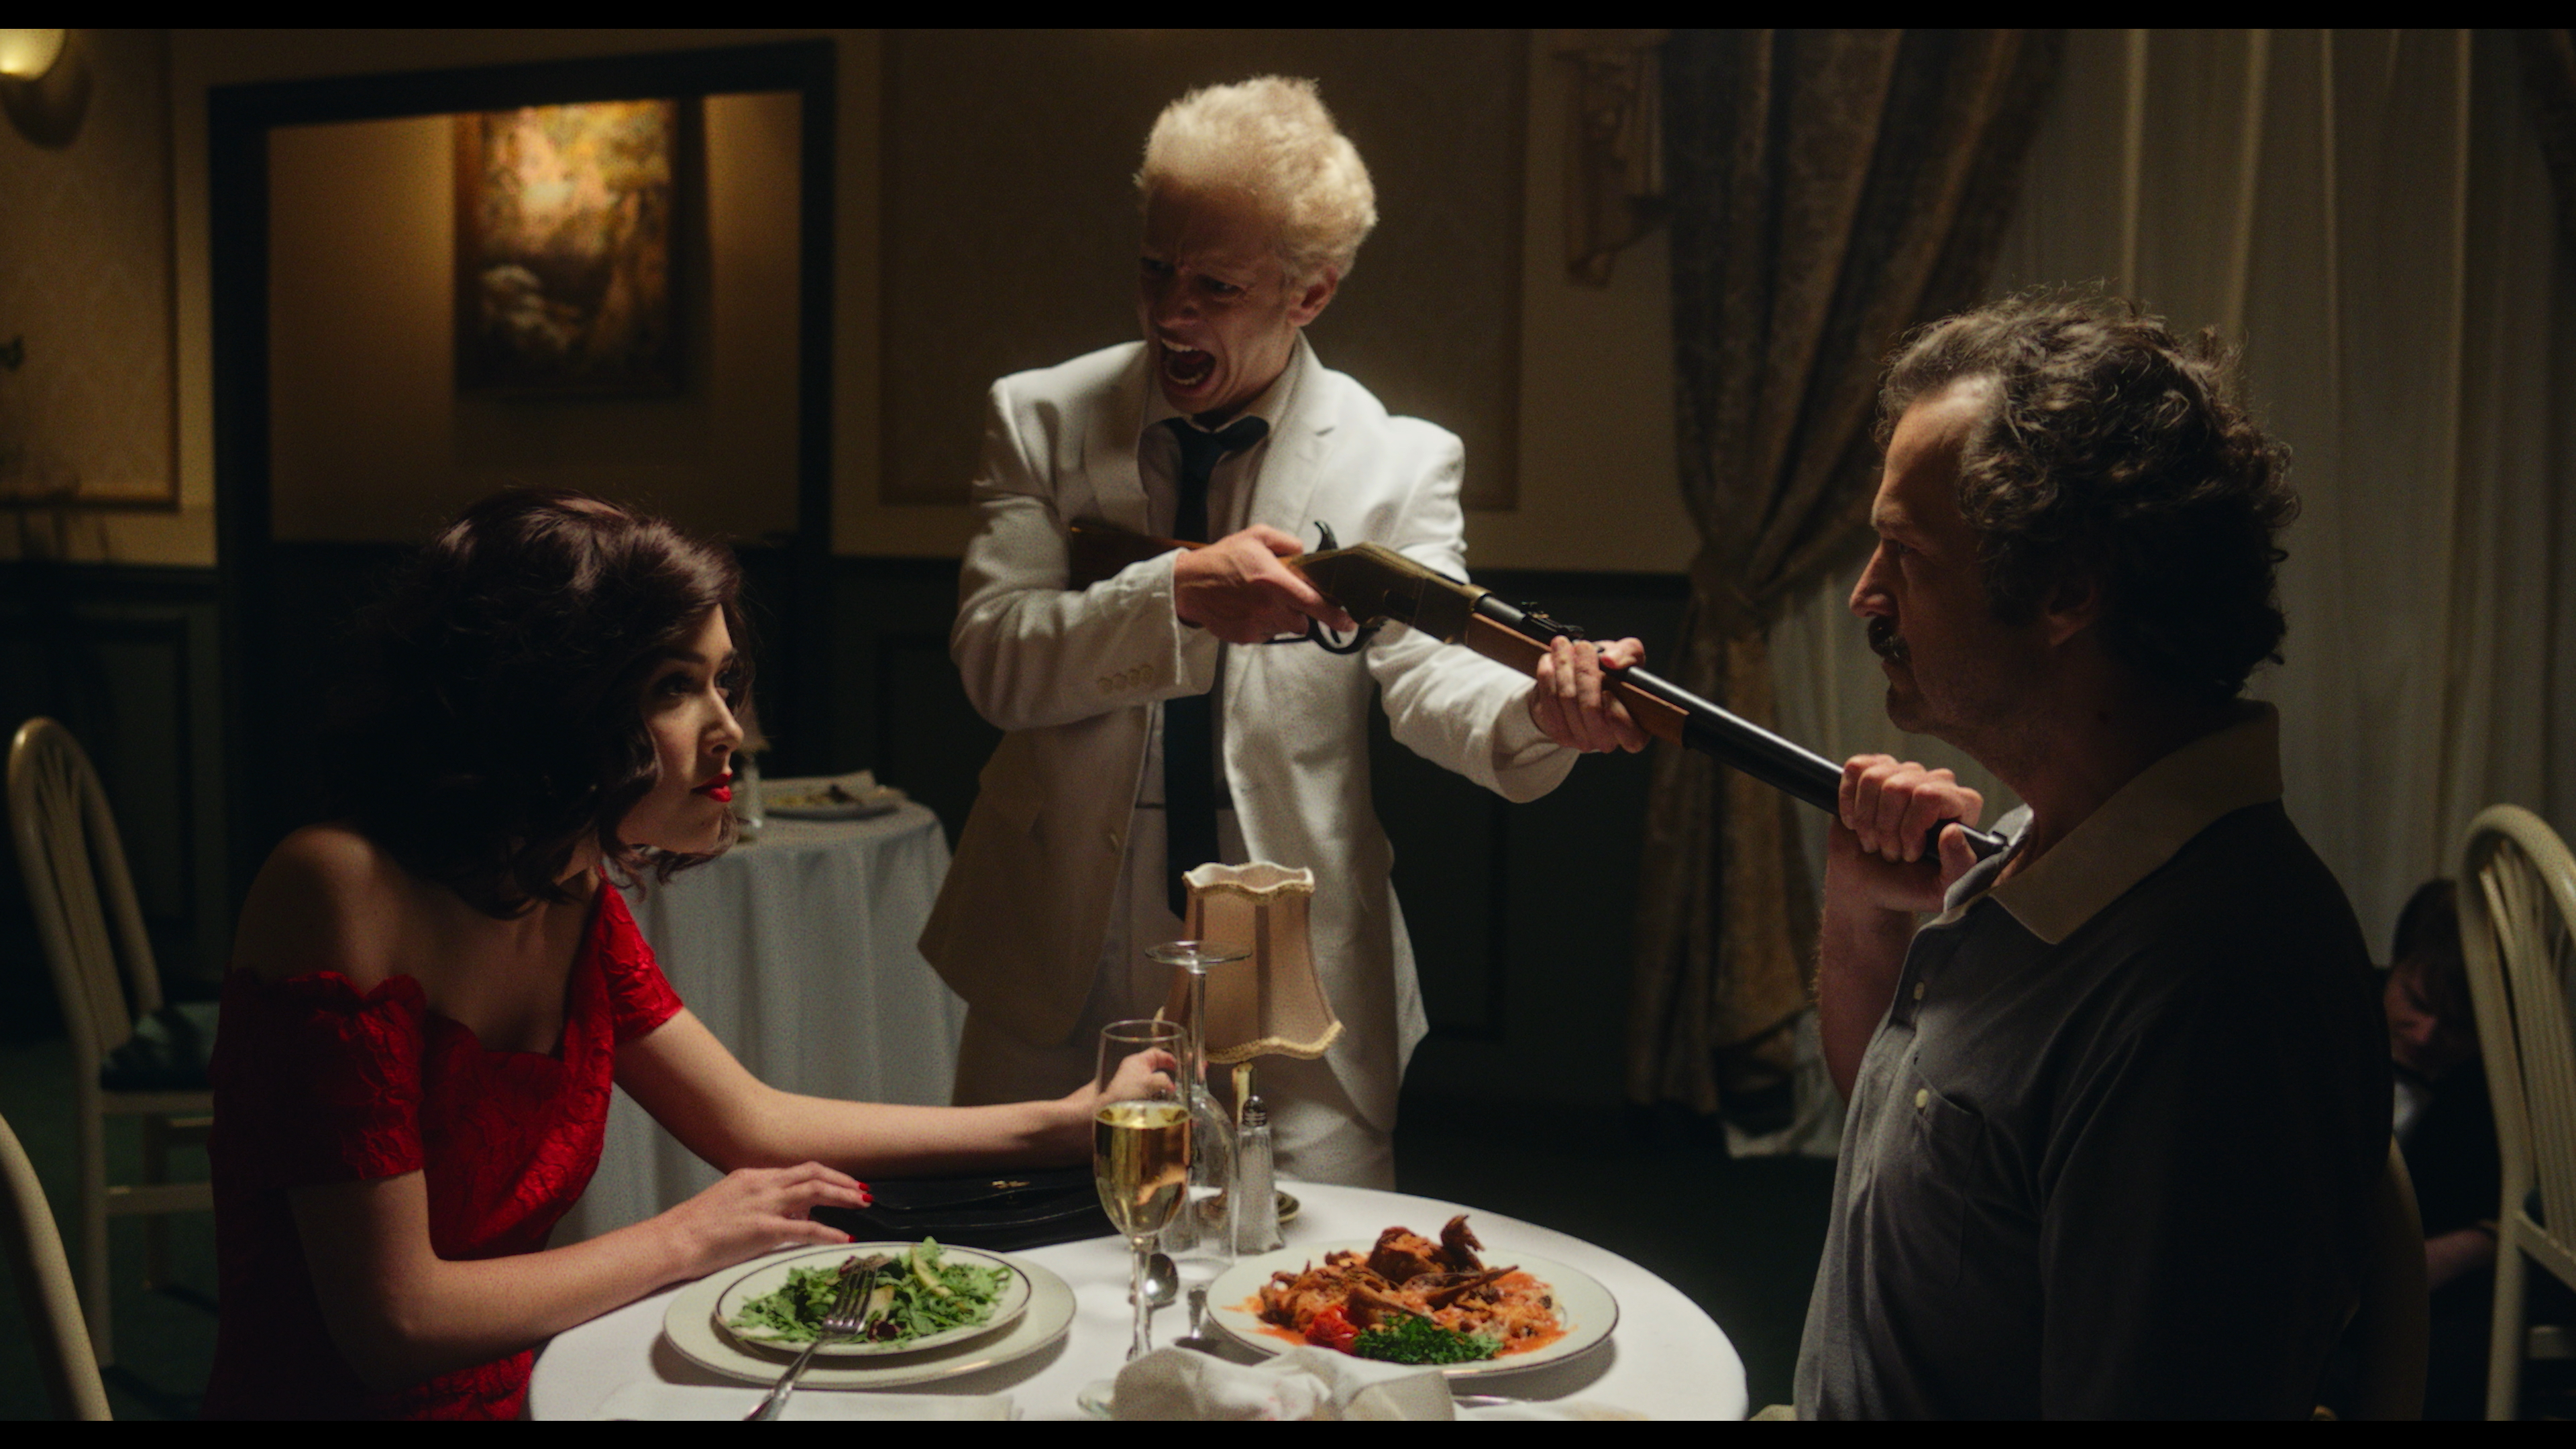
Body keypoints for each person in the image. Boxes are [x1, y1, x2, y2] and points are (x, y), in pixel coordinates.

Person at [204, 490, 1165, 1419]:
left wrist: (1067, 1124)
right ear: (550, 700)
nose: (731, 731)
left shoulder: (568, 889)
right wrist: (689, 1236)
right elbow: (394, 1322)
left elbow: (753, 1120)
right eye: (675, 687)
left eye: (722, 680)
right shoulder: (337, 889)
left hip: (533, 1386)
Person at [920, 75, 1644, 1189]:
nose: (1172, 315)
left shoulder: (1395, 460)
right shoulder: (1041, 417)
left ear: (1311, 293)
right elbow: (995, 660)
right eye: (1157, 269)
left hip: (1300, 966)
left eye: (1217, 285)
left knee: (1310, 1309)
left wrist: (1537, 712)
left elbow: (1427, 680)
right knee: (1026, 1290)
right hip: (1058, 953)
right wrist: (1178, 593)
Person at [1796, 292, 2390, 1418]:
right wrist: (1867, 913)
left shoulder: (2212, 990)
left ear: (2066, 590)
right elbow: (1916, 1152)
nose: (1867, 595)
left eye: (1906, 554)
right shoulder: (2037, 843)